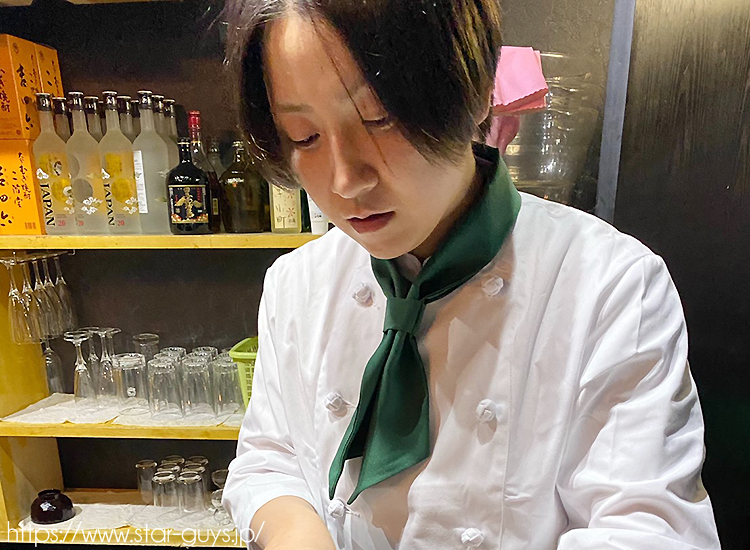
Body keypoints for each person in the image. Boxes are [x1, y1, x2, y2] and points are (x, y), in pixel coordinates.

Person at [221, 1, 721, 549]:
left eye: (379, 118)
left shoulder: (610, 286)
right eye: (303, 136)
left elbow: (648, 531)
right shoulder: (297, 284)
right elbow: (269, 459)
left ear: (475, 89)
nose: (345, 180)